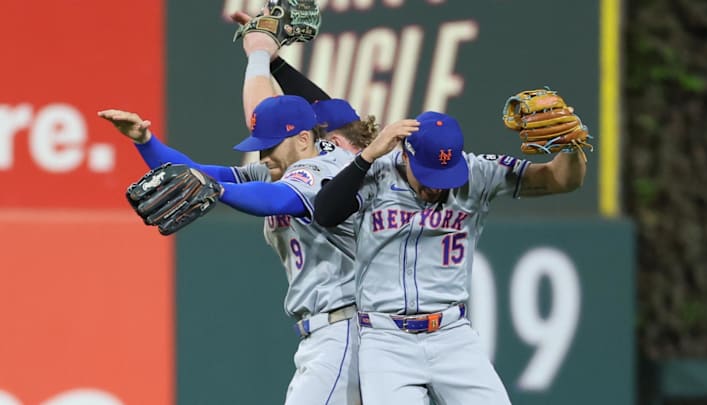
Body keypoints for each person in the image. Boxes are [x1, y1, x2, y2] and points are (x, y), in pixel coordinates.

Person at [97, 28, 391, 405]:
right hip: (329, 333)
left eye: (270, 146)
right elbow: (199, 172)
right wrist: (145, 141)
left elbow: (275, 200)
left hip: (346, 330)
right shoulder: (283, 166)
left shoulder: (326, 168)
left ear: (303, 139)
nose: (263, 156)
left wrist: (219, 191)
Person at [313, 111, 587, 405]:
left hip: (451, 335)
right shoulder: (376, 173)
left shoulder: (477, 173)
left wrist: (571, 147)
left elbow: (560, 179)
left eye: (445, 176)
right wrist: (366, 155)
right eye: (429, 174)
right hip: (385, 340)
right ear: (406, 156)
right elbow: (325, 213)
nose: (437, 186)